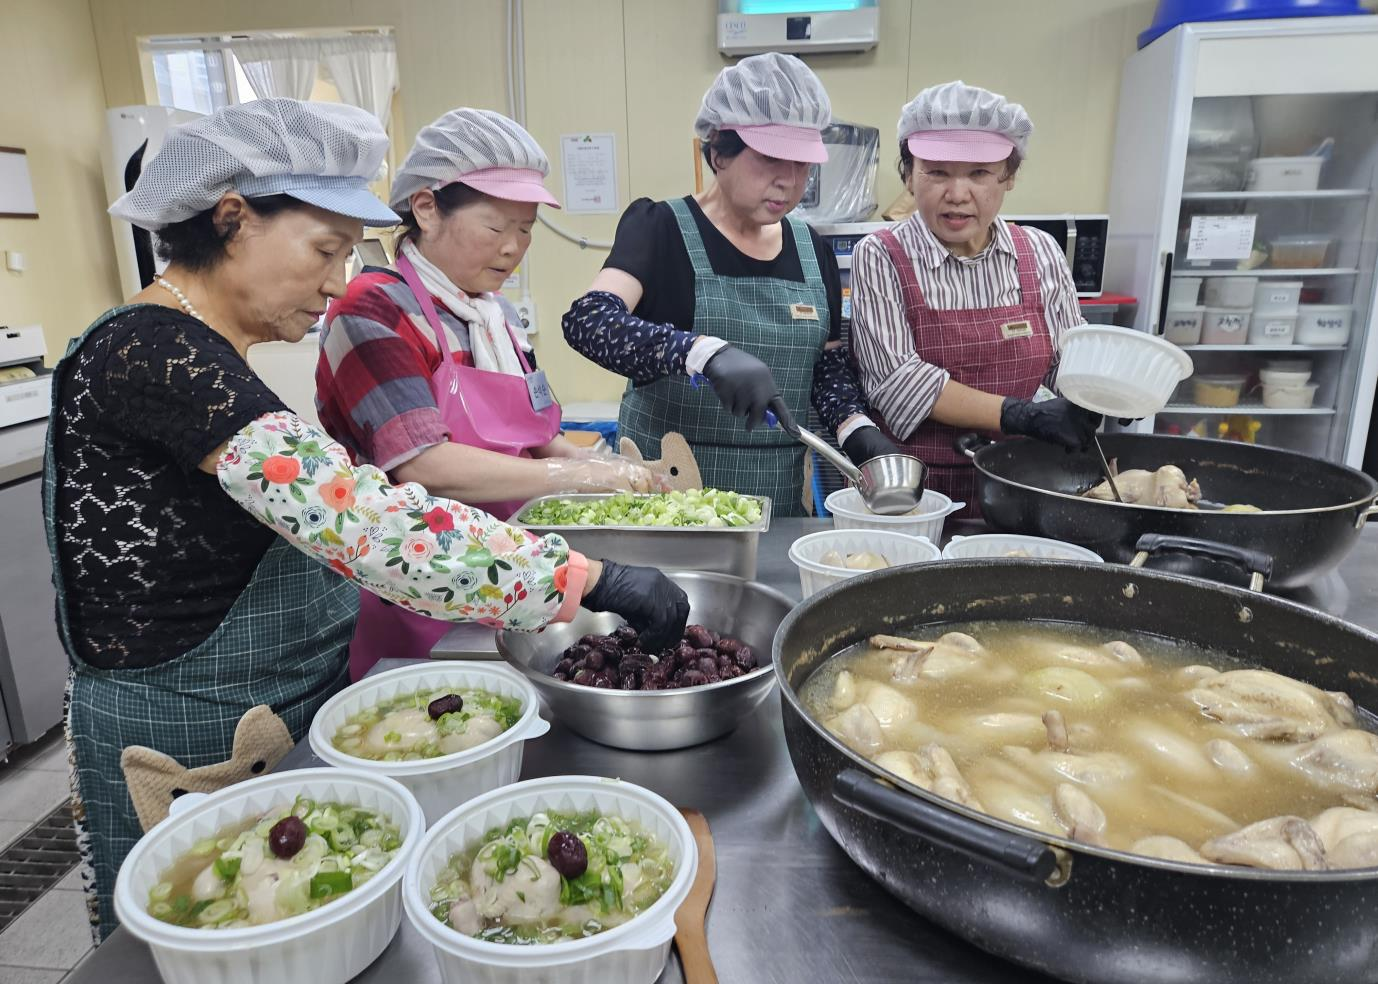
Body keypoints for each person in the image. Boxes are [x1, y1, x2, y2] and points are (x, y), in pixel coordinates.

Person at [44, 99, 687, 937]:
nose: (336, 282)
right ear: (232, 218)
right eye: (324, 249)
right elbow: (362, 520)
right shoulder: (157, 353)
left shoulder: (204, 350)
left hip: (267, 712)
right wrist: (585, 578)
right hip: (190, 734)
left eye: (347, 254)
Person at [316, 108, 664, 678]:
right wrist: (577, 474)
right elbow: (424, 464)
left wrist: (611, 472)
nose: (514, 248)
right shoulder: (373, 308)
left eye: (525, 228)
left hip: (517, 574)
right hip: (420, 589)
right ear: (426, 209)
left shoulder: (496, 315)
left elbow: (537, 439)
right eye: (496, 228)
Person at [563, 53, 900, 515]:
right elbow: (589, 321)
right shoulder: (660, 228)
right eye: (770, 159)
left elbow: (825, 368)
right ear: (718, 152)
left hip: (780, 502)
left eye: (802, 164)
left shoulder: (813, 250)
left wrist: (854, 427)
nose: (789, 181)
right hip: (666, 505)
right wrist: (702, 353)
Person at [849, 81, 1096, 516]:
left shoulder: (1040, 252)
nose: (958, 194)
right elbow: (898, 383)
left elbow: (1070, 365)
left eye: (979, 173)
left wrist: (1107, 392)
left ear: (1009, 176)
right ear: (908, 175)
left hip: (1023, 485)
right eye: (936, 172)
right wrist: (1019, 415)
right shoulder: (880, 255)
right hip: (913, 496)